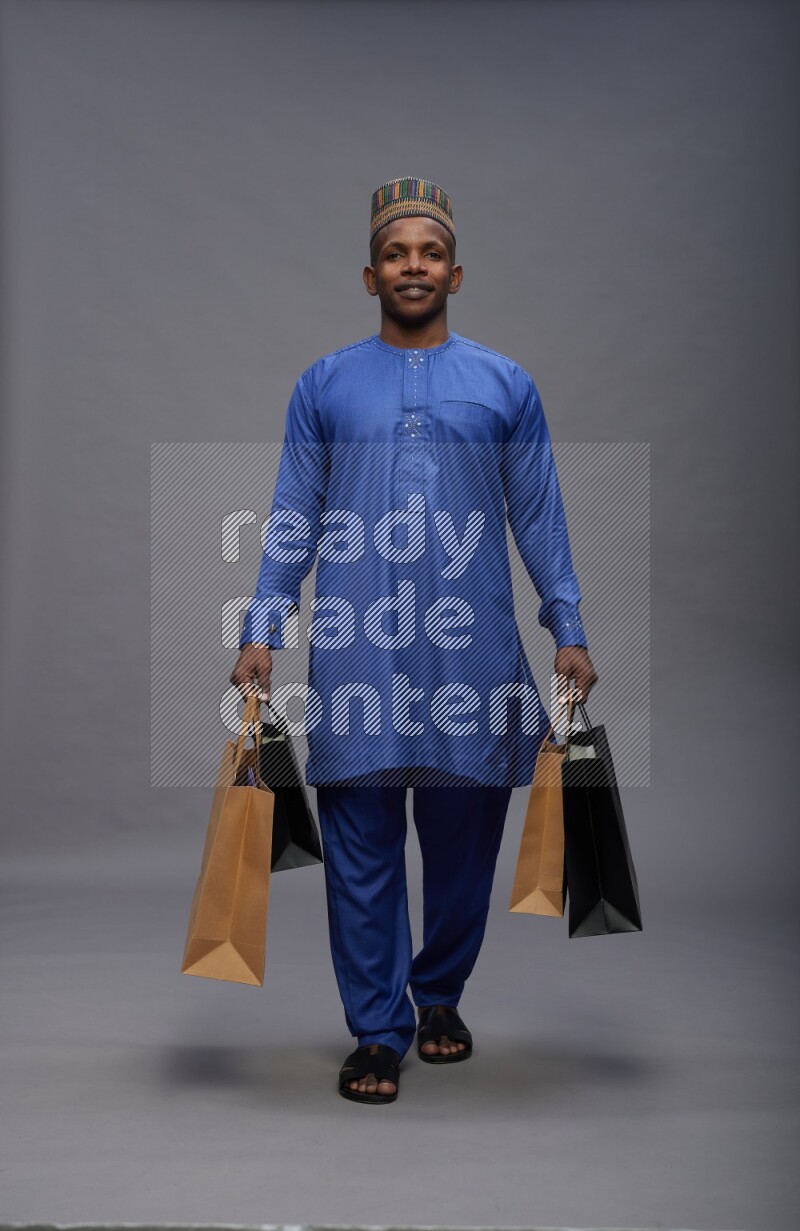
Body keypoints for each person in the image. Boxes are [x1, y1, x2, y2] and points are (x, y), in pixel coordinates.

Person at [230, 176, 598, 1104]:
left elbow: (540, 515)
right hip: (357, 647)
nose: (413, 266)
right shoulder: (325, 384)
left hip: (472, 652)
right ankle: (375, 1030)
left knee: (465, 850)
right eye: (396, 253)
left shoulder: (506, 384)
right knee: (360, 847)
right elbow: (291, 513)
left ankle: (438, 995)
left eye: (430, 253)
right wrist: (262, 626)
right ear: (370, 276)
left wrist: (568, 626)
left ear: (456, 274)